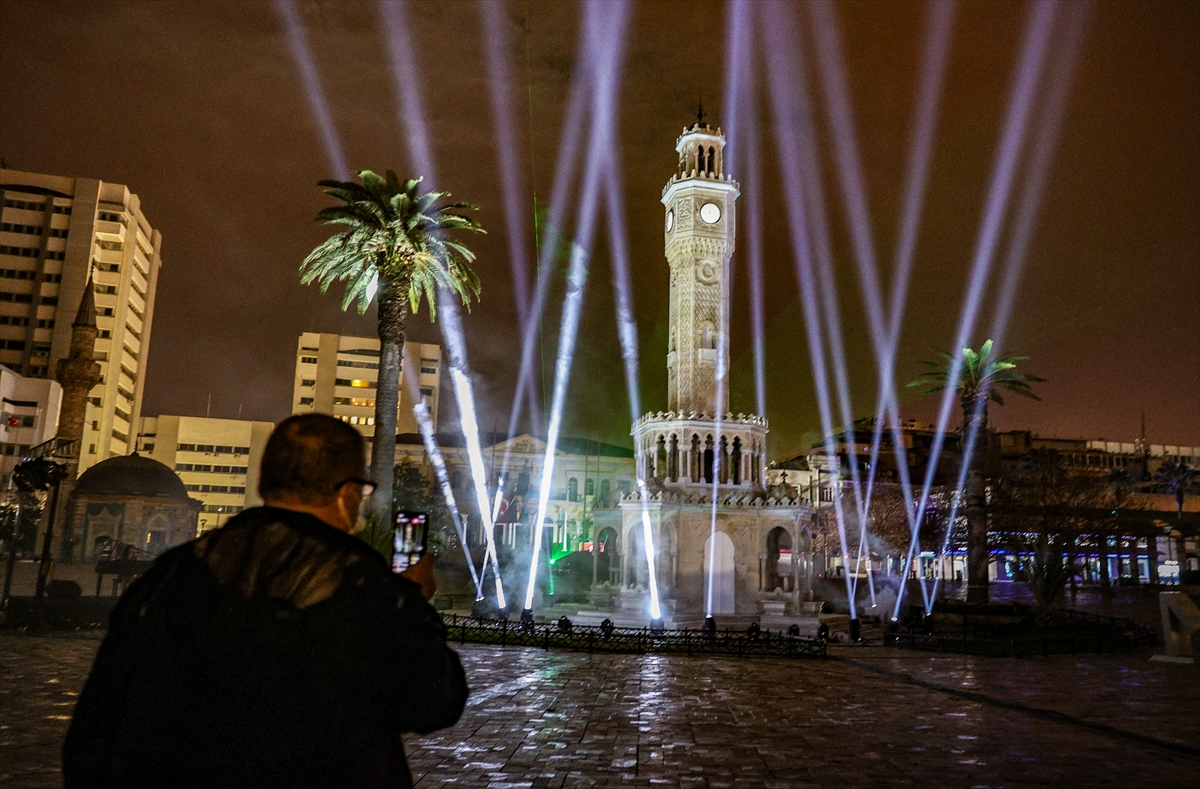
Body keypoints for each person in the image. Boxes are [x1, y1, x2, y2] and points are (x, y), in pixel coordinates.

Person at [63, 414, 467, 788]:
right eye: (361, 491)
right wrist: (412, 600)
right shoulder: (363, 582)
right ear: (346, 494)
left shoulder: (173, 573)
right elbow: (434, 700)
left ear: (264, 482)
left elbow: (97, 724)